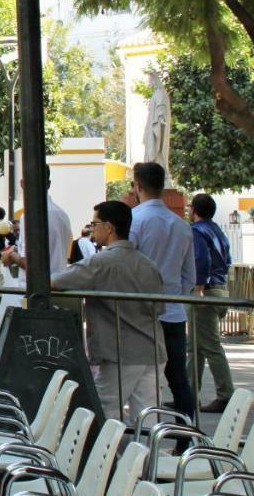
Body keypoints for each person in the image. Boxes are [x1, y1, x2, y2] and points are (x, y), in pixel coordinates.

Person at [52, 200, 165, 421]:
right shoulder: (148, 265)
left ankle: (114, 456)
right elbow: (159, 308)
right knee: (148, 418)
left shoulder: (101, 263)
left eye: (94, 223)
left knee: (102, 414)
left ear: (109, 226)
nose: (92, 228)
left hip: (120, 352)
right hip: (153, 349)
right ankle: (145, 456)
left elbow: (55, 281)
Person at [127, 161, 196, 415]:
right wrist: (175, 295)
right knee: (179, 381)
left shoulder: (134, 221)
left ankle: (146, 440)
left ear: (138, 186)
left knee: (144, 383)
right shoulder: (181, 225)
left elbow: (128, 263)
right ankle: (186, 442)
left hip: (143, 315)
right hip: (174, 312)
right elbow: (190, 276)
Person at [189, 192, 235, 412]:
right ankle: (189, 393)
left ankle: (226, 395)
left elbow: (201, 258)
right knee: (195, 346)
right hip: (220, 289)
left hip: (205, 291)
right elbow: (227, 261)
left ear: (193, 210)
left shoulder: (197, 231)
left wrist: (198, 288)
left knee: (209, 345)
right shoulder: (218, 231)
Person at [1, 165, 72, 280]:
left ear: (22, 184)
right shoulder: (63, 215)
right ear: (48, 184)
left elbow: (30, 264)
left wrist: (11, 255)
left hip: (35, 291)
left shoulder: (30, 215)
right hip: (58, 286)